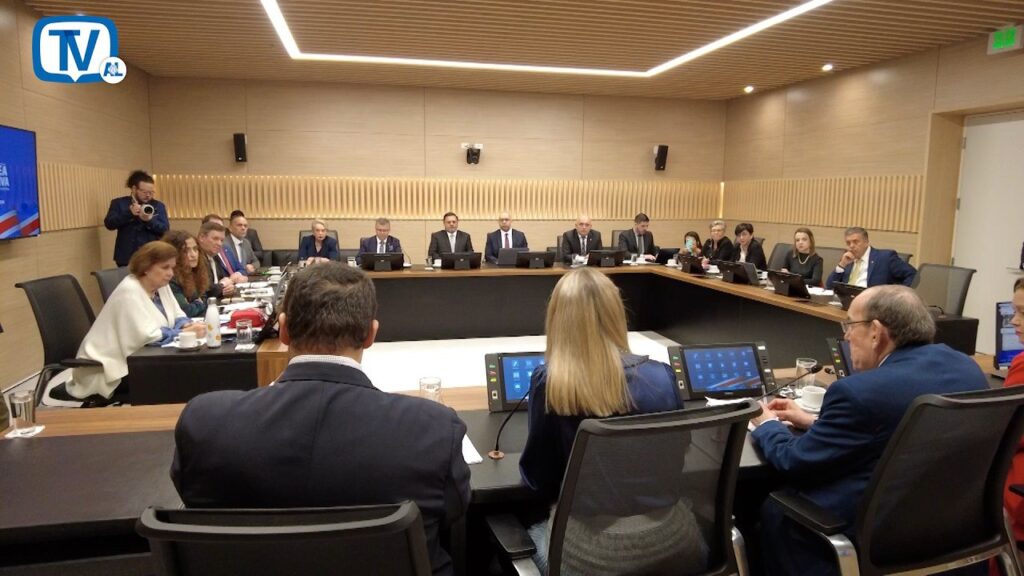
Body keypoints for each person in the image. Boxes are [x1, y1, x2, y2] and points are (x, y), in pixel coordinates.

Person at [171, 263, 470, 576]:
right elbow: (454, 510)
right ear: (371, 335)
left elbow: (190, 496)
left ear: (283, 330)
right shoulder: (433, 429)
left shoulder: (204, 422)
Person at [749, 285, 987, 575]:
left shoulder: (858, 392)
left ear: (876, 332)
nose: (846, 336)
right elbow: (901, 425)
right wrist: (814, 422)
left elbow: (795, 461)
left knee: (770, 507)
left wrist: (767, 423)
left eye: (850, 325)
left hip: (876, 537)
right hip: (953, 532)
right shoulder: (967, 368)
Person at [519, 267, 686, 572]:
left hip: (590, 553)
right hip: (672, 541)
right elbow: (677, 455)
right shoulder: (663, 376)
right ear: (616, 314)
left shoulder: (550, 383)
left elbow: (539, 478)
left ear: (557, 319)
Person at [66, 241, 206, 402]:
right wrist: (183, 333)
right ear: (146, 267)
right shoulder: (129, 291)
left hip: (139, 361)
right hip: (108, 369)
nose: (170, 273)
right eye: (165, 267)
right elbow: (147, 337)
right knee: (179, 377)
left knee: (189, 372)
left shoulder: (161, 286)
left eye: (172, 268)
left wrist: (187, 324)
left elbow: (177, 315)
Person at [104, 170, 170, 267]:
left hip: (152, 255)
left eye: (151, 192)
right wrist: (129, 214)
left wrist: (149, 220)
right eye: (144, 192)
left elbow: (165, 229)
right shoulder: (119, 203)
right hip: (126, 257)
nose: (148, 195)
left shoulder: (158, 205)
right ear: (134, 189)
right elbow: (109, 224)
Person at [1002, 278, 1024, 543]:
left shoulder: (1022, 366)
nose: (1014, 322)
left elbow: (1002, 435)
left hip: (1015, 499)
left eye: (1023, 313)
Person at [825, 227, 916, 289]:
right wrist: (841, 265)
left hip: (873, 304)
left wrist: (897, 296)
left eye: (856, 242)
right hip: (847, 302)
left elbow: (913, 274)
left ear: (866, 242)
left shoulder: (885, 257)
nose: (851, 246)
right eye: (848, 243)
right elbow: (829, 286)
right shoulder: (847, 259)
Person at [162, 230, 210, 317]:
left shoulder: (194, 272)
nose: (193, 255)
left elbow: (204, 297)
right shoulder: (171, 278)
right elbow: (185, 311)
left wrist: (196, 303)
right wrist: (198, 303)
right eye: (186, 251)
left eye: (195, 249)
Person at [196, 220, 240, 298]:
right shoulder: (196, 259)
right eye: (215, 239)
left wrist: (229, 287)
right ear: (202, 237)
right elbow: (205, 290)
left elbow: (224, 280)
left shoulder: (215, 257)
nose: (219, 244)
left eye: (222, 240)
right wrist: (222, 285)